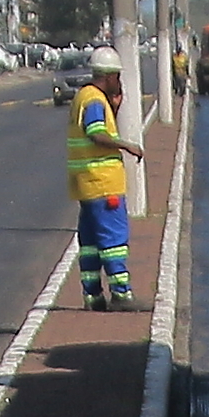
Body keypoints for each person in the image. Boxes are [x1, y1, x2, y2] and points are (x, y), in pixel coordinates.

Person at [68, 52, 135, 308]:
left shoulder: (83, 96)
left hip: (85, 183)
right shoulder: (95, 100)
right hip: (104, 184)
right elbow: (96, 133)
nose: (119, 82)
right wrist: (127, 146)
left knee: (90, 243)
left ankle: (92, 295)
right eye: (117, 77)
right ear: (108, 77)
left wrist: (115, 109)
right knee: (113, 240)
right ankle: (121, 293)